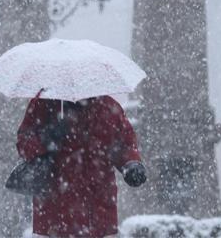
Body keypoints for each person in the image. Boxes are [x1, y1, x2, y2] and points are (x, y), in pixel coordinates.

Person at [17, 95, 146, 238]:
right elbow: (24, 141)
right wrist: (46, 139)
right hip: (55, 208)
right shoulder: (43, 104)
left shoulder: (107, 106)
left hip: (97, 205)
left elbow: (124, 143)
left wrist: (131, 164)